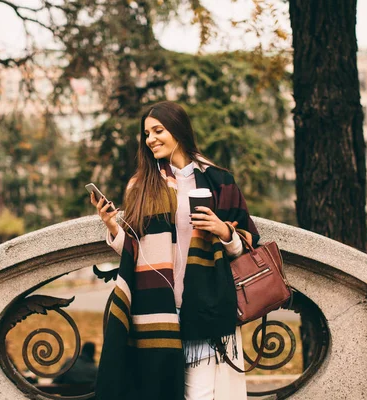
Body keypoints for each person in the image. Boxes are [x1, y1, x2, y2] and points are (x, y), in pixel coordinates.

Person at [91, 101, 260, 400]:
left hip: (204, 306)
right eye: (146, 133)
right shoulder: (142, 185)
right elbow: (135, 250)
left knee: (202, 397)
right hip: (155, 311)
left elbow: (246, 245)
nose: (151, 139)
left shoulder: (219, 181)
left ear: (179, 131)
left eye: (158, 130)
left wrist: (224, 231)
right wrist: (114, 228)